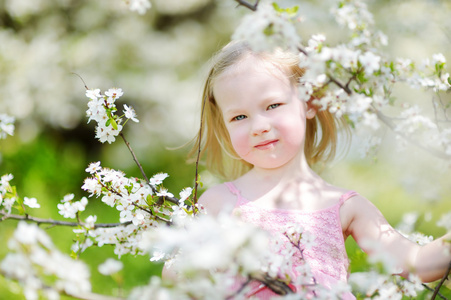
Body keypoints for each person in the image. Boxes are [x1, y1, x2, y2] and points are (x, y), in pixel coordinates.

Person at [189, 41, 451, 299]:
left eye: (272, 106)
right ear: (225, 124)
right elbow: (179, 281)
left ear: (309, 103)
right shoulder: (218, 203)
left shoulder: (346, 207)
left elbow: (416, 263)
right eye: (239, 117)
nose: (258, 125)